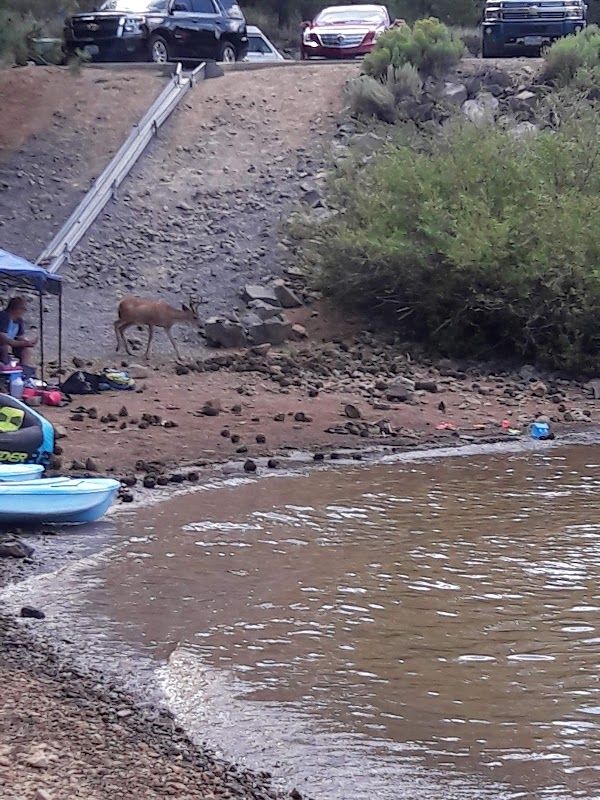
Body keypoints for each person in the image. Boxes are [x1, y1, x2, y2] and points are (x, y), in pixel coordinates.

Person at [0, 297, 38, 375]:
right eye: (23, 308)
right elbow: (2, 337)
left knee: (25, 349)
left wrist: (27, 342)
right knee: (4, 346)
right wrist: (17, 343)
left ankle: (24, 369)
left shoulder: (19, 320)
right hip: (3, 344)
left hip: (9, 344)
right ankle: (5, 368)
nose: (24, 311)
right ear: (16, 308)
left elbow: (19, 337)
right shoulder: (4, 316)